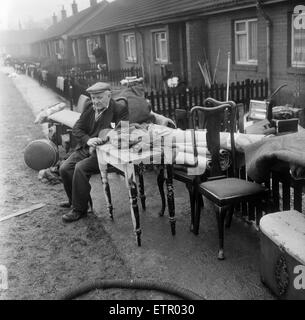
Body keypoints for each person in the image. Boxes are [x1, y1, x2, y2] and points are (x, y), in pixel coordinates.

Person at [59, 82, 129, 223]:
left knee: (80, 168)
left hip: (106, 153)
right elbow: (77, 128)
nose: (95, 101)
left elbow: (124, 133)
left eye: (99, 97)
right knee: (65, 168)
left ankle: (80, 210)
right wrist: (88, 140)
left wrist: (105, 139)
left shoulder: (120, 109)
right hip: (87, 147)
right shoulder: (90, 107)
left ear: (109, 95)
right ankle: (74, 201)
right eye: (93, 98)